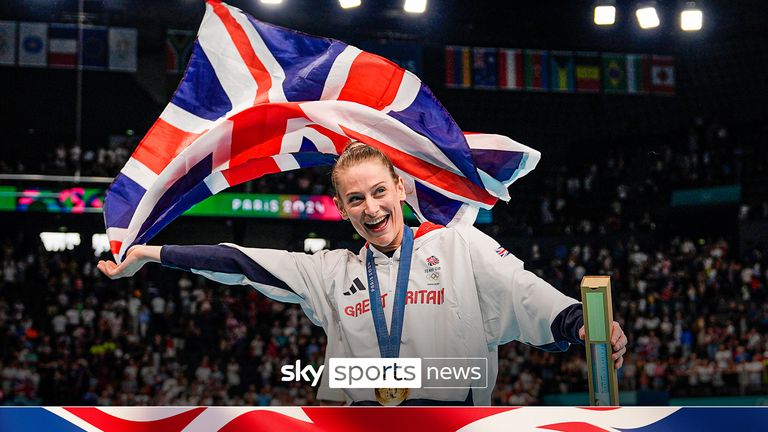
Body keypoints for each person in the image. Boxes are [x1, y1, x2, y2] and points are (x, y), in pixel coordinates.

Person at [98, 142, 627, 405]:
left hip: (452, 420)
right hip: (358, 421)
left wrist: (580, 322)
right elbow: (240, 262)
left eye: (379, 192)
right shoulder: (330, 271)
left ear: (400, 190)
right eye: (356, 200)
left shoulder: (458, 244)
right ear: (342, 208)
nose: (371, 208)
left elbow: (522, 290)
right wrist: (148, 253)